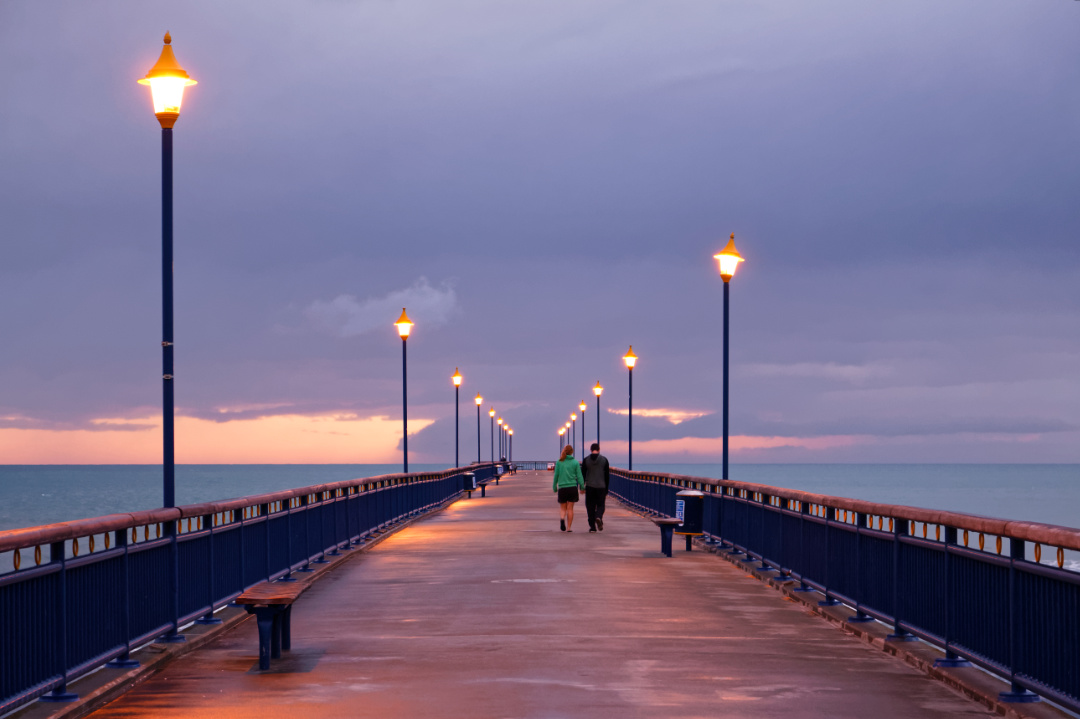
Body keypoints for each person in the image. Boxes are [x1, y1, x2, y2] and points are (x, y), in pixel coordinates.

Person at [552, 444, 585, 532]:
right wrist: (582, 486)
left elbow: (556, 475)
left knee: (563, 507)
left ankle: (562, 519)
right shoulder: (575, 462)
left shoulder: (559, 462)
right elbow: (579, 476)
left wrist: (554, 486)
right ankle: (569, 528)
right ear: (572, 452)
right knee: (570, 508)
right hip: (572, 488)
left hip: (562, 488)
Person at [581, 443, 610, 532]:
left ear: (590, 450)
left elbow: (583, 474)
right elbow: (607, 476)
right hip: (601, 486)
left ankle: (592, 527)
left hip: (590, 487)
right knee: (601, 505)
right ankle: (598, 516)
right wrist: (606, 489)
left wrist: (582, 487)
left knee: (590, 506)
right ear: (599, 449)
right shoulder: (604, 460)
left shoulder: (586, 460)